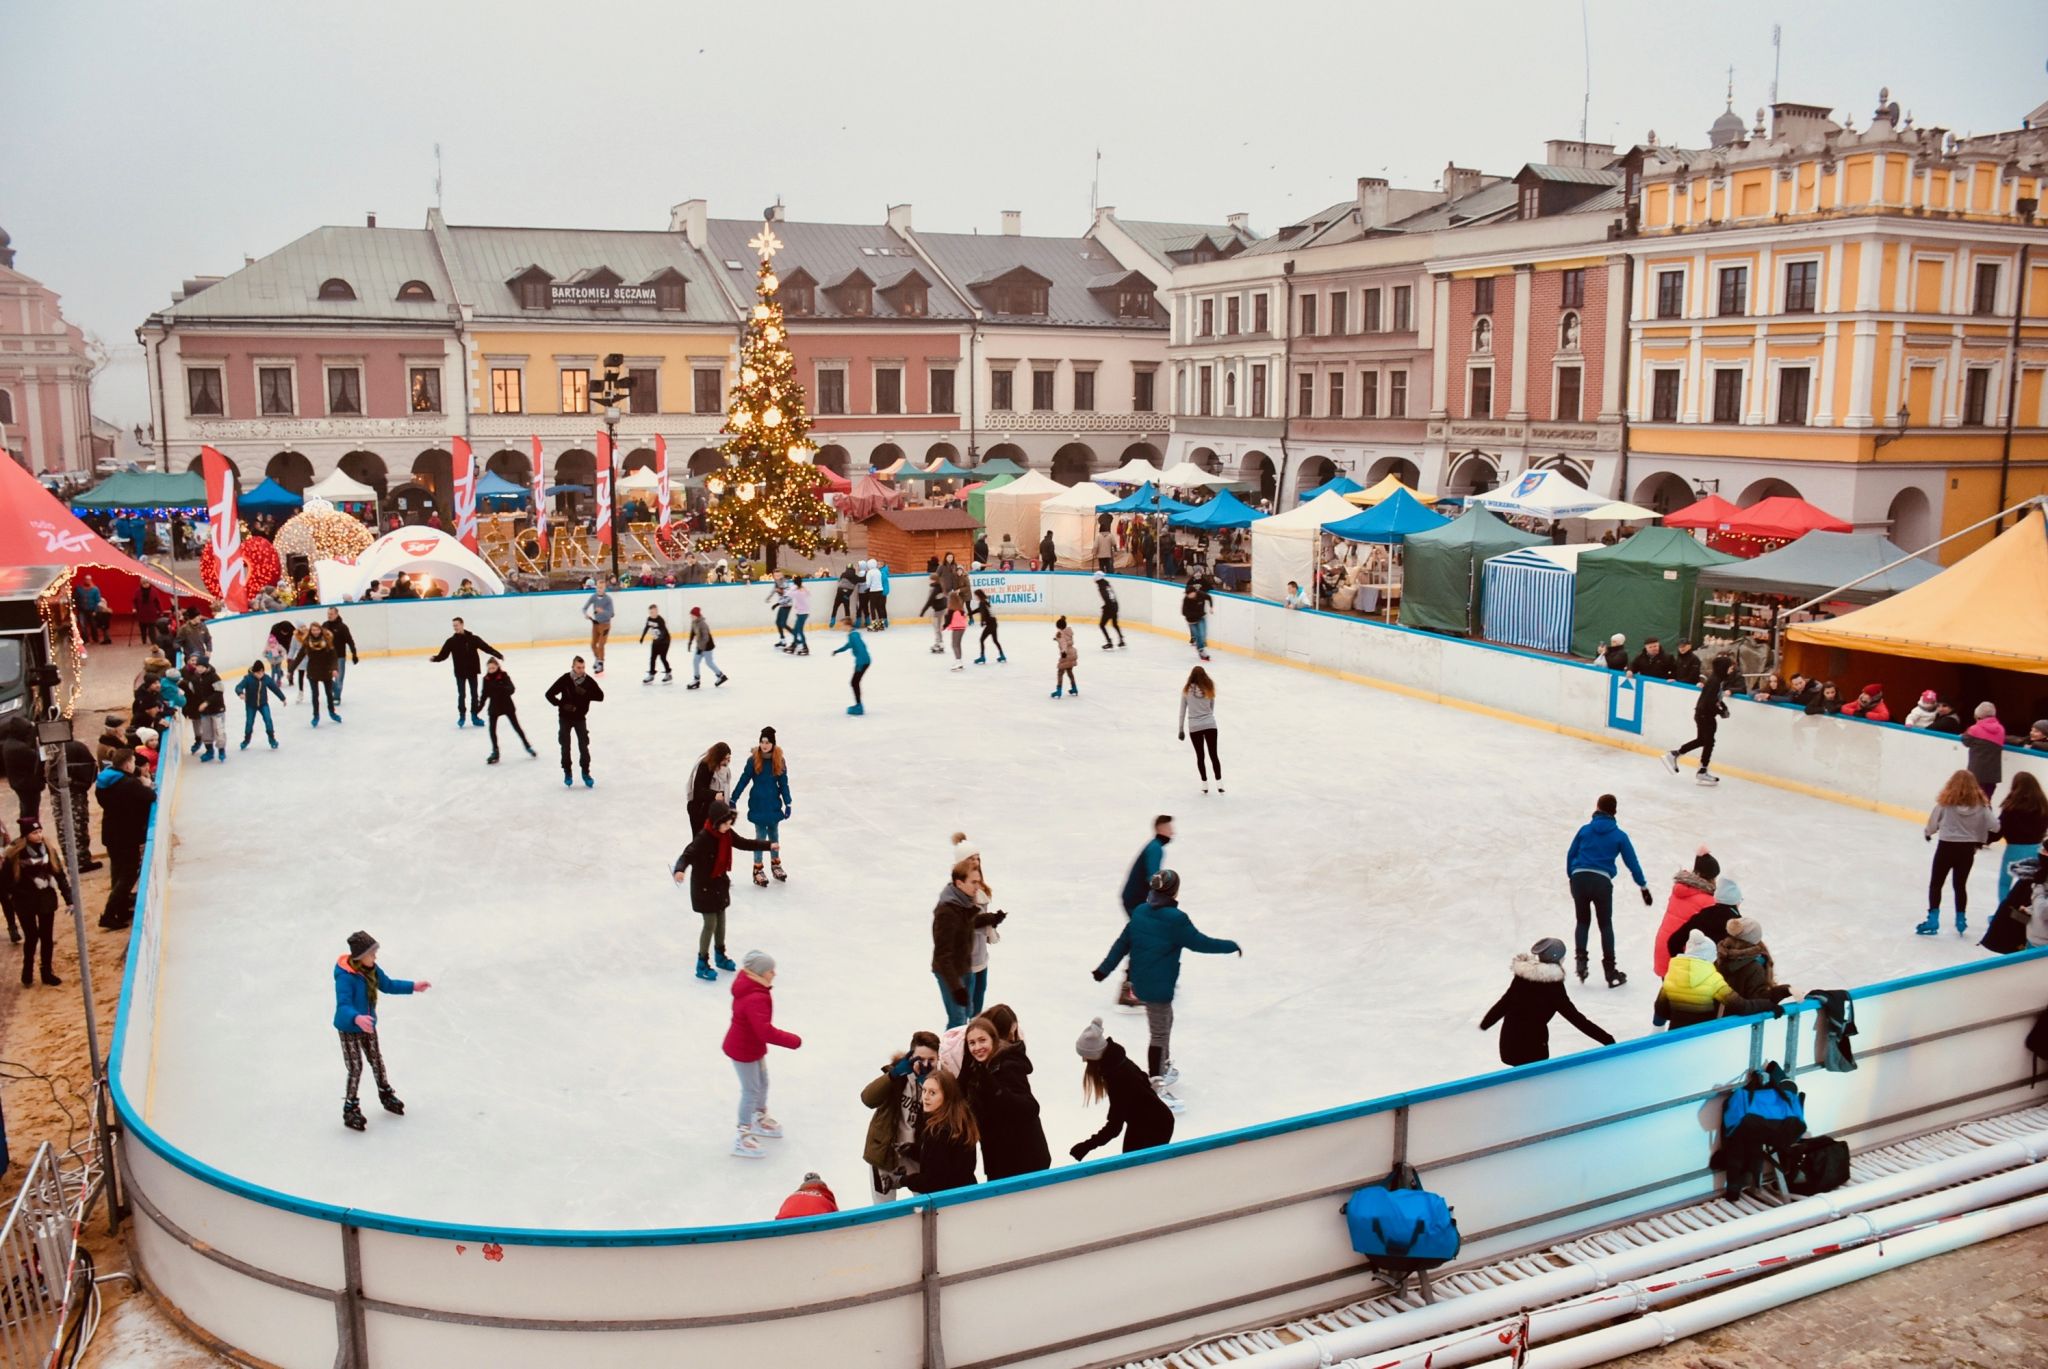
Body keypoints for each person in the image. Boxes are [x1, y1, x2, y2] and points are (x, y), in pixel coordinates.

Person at [1092, 868, 1238, 1105]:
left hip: (1141, 982)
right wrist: (1230, 945)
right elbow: (1200, 943)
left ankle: (1164, 1065)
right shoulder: (1175, 920)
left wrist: (1104, 969)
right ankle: (1156, 1083)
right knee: (1159, 1032)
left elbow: (1122, 944)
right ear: (1173, 891)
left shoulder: (1140, 911)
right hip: (1158, 985)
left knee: (1166, 1021)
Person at [331, 930, 430, 1132]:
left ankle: (385, 1093)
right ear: (360, 956)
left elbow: (389, 985)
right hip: (349, 1027)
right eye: (372, 953)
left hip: (367, 1025)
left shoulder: (372, 970)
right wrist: (356, 1018)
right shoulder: (345, 977)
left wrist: (413, 986)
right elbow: (343, 1005)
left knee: (376, 1059)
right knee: (356, 1067)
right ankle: (350, 1107)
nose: (375, 957)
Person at [674, 798, 779, 982]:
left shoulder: (726, 834)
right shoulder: (704, 838)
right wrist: (680, 870)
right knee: (710, 923)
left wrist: (768, 845)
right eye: (725, 823)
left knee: (721, 921)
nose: (728, 827)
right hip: (703, 886)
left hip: (719, 884)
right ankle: (702, 962)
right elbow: (687, 854)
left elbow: (745, 843)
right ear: (716, 822)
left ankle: (720, 955)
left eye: (730, 823)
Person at [1478, 938, 1614, 1066]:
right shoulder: (1554, 987)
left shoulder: (1522, 977)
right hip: (1532, 1048)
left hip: (1509, 1043)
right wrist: (1607, 1039)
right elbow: (1575, 1018)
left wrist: (1485, 1024)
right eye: (1562, 958)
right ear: (1556, 959)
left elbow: (1504, 1003)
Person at [1564, 794, 1652, 987]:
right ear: (1615, 811)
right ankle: (1610, 971)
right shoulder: (1619, 835)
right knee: (1605, 925)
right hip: (1601, 882)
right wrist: (1643, 886)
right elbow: (1632, 863)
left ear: (1597, 807)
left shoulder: (1585, 830)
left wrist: (1572, 876)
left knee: (1582, 920)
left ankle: (1581, 963)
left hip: (1579, 878)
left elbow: (1571, 854)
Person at [723, 949, 800, 1159]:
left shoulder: (753, 987)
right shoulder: (755, 997)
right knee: (750, 1090)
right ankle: (742, 1134)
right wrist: (792, 1040)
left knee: (762, 1083)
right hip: (743, 1050)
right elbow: (764, 1031)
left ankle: (759, 1116)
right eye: (770, 970)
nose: (774, 973)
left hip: (752, 1046)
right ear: (759, 972)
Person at [1069, 1018, 1175, 1161]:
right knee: (1130, 1163)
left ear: (1094, 1055)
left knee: (1137, 1169)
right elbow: (1143, 1078)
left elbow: (1114, 1126)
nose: (1083, 1060)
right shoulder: (1117, 1061)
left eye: (1085, 1056)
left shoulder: (1118, 1077)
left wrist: (1087, 1146)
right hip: (1142, 1121)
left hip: (1156, 1126)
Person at [958, 1015, 1050, 1179]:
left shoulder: (1008, 1066)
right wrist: (965, 1069)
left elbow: (1030, 1108)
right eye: (972, 1043)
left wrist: (995, 1089)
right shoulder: (976, 1070)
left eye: (982, 1040)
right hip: (997, 1160)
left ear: (993, 1040)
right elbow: (958, 1099)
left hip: (1025, 1160)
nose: (977, 1047)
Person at [862, 1030, 941, 1202]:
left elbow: (942, 1120)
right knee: (883, 1209)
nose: (926, 1064)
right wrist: (893, 1075)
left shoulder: (942, 1084)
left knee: (926, 1203)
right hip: (885, 1152)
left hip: (917, 1154)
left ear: (938, 1059)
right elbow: (867, 1098)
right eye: (920, 1059)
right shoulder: (897, 1075)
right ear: (911, 1056)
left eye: (932, 1060)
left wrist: (927, 1087)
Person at [1654, 929, 1779, 1030]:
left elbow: (1662, 1011)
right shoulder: (1713, 979)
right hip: (1703, 1037)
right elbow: (1742, 1006)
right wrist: (1768, 1004)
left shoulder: (1672, 975)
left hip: (1675, 1037)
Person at [1920, 769, 1996, 936]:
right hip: (1967, 850)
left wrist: (1928, 833)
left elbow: (1933, 823)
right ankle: (1961, 919)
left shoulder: (1946, 804)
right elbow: (1995, 826)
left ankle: (1933, 918)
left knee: (1936, 883)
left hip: (1946, 847)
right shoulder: (1981, 807)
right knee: (1960, 885)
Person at [931, 859, 1005, 1029]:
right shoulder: (947, 912)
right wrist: (956, 988)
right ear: (959, 883)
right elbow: (943, 956)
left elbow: (967, 923)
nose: (977, 886)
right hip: (950, 973)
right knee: (958, 1020)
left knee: (969, 1013)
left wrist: (991, 918)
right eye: (973, 882)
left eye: (978, 881)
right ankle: (950, 1055)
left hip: (965, 967)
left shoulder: (963, 901)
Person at [94, 749, 153, 931]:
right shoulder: (128, 784)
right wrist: (146, 783)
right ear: (127, 764)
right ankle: (109, 914)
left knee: (118, 873)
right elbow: (150, 796)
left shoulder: (105, 780)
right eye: (133, 761)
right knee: (128, 874)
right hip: (126, 835)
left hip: (111, 832)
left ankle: (119, 908)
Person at [3, 819, 66, 987]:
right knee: (31, 936)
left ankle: (47, 971)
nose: (39, 836)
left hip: (46, 899)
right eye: (34, 833)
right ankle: (27, 969)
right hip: (25, 902)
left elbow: (59, 874)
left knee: (46, 936)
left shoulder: (48, 850)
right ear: (26, 835)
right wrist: (18, 894)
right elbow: (5, 882)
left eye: (40, 832)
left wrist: (69, 899)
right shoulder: (15, 854)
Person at [730, 727, 792, 885]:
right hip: (758, 804)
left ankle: (776, 865)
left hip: (773, 805)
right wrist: (734, 798)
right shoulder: (754, 760)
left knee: (774, 836)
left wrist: (788, 802)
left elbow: (783, 783)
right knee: (760, 838)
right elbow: (744, 780)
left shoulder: (779, 760)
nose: (764, 745)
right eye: (762, 741)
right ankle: (757, 869)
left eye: (767, 742)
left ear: (773, 744)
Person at [1661, 654, 1735, 786]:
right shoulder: (1715, 681)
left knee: (1705, 741)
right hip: (1704, 715)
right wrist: (1721, 711)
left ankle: (1698, 768)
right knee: (1707, 741)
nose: (1731, 670)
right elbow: (1709, 702)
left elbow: (1715, 700)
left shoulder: (1717, 680)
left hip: (1704, 715)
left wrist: (1722, 708)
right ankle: (1678, 756)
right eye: (1729, 667)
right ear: (1723, 667)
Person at [904, 1068, 979, 1193]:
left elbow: (932, 1182)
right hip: (967, 1196)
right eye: (924, 1091)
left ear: (947, 1096)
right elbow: (947, 1163)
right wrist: (914, 1151)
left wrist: (904, 1180)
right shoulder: (960, 1121)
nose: (925, 1097)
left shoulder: (939, 1131)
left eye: (932, 1093)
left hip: (949, 1203)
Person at [1651, 847, 1719, 978]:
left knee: (1669, 989)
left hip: (1663, 945)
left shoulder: (1680, 889)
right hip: (1681, 953)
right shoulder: (1708, 901)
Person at [429, 617, 503, 728]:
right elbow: (443, 655)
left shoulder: (473, 639)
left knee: (474, 695)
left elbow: (486, 648)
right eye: (453, 626)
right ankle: (462, 716)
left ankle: (474, 716)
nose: (455, 627)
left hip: (472, 671)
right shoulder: (451, 641)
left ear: (462, 625)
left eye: (457, 625)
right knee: (462, 695)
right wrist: (435, 658)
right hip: (460, 672)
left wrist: (498, 654)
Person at [543, 656, 605, 788]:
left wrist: (585, 693)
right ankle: (567, 772)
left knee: (584, 746)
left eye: (583, 668)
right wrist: (561, 704)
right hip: (565, 718)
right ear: (572, 667)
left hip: (580, 718)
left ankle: (585, 773)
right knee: (565, 746)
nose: (581, 670)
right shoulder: (565, 679)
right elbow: (549, 694)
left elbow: (601, 697)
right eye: (578, 667)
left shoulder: (588, 681)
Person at [1663, 874, 1746, 963]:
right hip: (1720, 975)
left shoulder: (1703, 914)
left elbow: (1673, 941)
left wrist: (1682, 965)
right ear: (1735, 902)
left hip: (1697, 971)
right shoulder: (1738, 925)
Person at [1996, 772, 2048, 904]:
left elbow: (1999, 831)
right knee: (2028, 884)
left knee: (2004, 883)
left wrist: (1983, 839)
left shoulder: (2011, 806)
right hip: (2035, 849)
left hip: (2013, 849)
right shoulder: (2043, 806)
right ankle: (2025, 912)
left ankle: (2002, 913)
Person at [1715, 917, 1790, 1006]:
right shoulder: (1755, 967)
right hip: (1742, 1016)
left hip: (1719, 1012)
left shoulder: (1719, 954)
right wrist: (1786, 990)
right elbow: (1758, 999)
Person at [478, 658, 535, 764]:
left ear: (498, 667)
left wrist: (501, 687)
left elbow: (512, 689)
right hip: (494, 707)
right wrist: (478, 708)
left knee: (516, 727)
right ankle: (495, 751)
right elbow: (484, 695)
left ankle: (527, 745)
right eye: (489, 668)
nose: (491, 670)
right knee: (492, 730)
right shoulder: (485, 679)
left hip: (506, 705)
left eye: (493, 668)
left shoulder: (504, 675)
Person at [1178, 666, 1224, 794]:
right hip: (1210, 724)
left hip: (1194, 727)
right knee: (1213, 755)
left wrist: (1181, 729)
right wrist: (1207, 718)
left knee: (1200, 756)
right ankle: (1219, 783)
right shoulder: (1209, 688)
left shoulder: (1186, 691)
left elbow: (1182, 712)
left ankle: (1205, 784)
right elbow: (1211, 707)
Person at [235, 660, 286, 751]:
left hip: (263, 704)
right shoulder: (248, 679)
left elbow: (274, 688)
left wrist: (282, 698)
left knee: (268, 720)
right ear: (254, 672)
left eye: (262, 672)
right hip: (251, 705)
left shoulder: (266, 678)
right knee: (249, 723)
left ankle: (272, 739)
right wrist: (241, 693)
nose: (260, 674)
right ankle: (246, 740)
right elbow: (238, 687)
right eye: (258, 673)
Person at [185, 656, 229, 758]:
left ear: (206, 666)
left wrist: (207, 702)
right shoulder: (195, 679)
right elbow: (193, 693)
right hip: (204, 712)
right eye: (198, 666)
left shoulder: (214, 677)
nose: (199, 668)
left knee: (219, 731)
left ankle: (221, 750)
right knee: (206, 732)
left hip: (217, 710)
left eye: (201, 666)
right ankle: (209, 751)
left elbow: (219, 692)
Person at [1962, 703, 2006, 802]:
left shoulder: (1974, 729)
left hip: (1975, 773)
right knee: (1986, 801)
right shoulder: (2001, 730)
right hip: (1993, 775)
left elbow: (1965, 741)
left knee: (1972, 801)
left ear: (1978, 716)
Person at [686, 742, 733, 834]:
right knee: (700, 843)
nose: (727, 762)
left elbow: (725, 789)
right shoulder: (705, 766)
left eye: (729, 759)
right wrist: (715, 795)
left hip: (714, 810)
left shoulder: (725, 770)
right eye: (725, 759)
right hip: (699, 810)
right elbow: (698, 791)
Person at [300, 623, 341, 726]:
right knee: (315, 694)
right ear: (311, 631)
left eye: (317, 630)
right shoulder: (307, 643)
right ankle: (316, 715)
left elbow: (333, 656)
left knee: (329, 694)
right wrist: (290, 670)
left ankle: (332, 712)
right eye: (313, 630)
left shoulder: (327, 641)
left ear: (320, 630)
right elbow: (300, 656)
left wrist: (334, 669)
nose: (315, 632)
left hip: (326, 671)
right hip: (313, 671)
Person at [686, 606, 728, 689]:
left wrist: (700, 649)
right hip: (700, 646)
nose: (691, 617)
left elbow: (706, 638)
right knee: (695, 661)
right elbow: (692, 631)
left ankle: (721, 676)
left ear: (697, 616)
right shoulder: (694, 622)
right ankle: (696, 680)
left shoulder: (703, 624)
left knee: (709, 662)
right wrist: (690, 642)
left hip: (707, 646)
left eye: (693, 616)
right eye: (691, 616)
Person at [581, 574, 616, 673]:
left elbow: (611, 614)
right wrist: (586, 614)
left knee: (601, 645)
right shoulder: (593, 597)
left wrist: (602, 611)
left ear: (605, 588)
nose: (599, 589)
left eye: (601, 588)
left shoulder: (608, 599)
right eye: (598, 587)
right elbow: (584, 608)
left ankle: (601, 663)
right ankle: (597, 658)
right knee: (593, 644)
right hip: (595, 624)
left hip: (605, 625)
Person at [324, 607, 360, 701]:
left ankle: (337, 696)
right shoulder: (325, 625)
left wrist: (354, 654)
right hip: (327, 657)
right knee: (325, 676)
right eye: (328, 614)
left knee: (339, 678)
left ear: (336, 614)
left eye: (331, 614)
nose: (329, 616)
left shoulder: (342, 627)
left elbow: (350, 641)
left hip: (339, 656)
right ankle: (336, 690)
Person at [774, 1173, 839, 1221]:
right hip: (815, 1222)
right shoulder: (825, 1197)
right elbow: (836, 1217)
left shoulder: (791, 1198)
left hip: (785, 1223)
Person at [971, 589, 1006, 665]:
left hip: (990, 624)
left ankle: (982, 657)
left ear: (978, 595)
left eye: (975, 595)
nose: (975, 597)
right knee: (995, 640)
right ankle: (1002, 655)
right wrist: (970, 613)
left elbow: (983, 613)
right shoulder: (985, 601)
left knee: (981, 640)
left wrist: (982, 622)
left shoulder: (982, 603)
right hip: (994, 623)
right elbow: (980, 610)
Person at [1181, 579, 1212, 662]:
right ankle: (1201, 650)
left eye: (1190, 594)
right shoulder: (1186, 600)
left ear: (1194, 592)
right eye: (1187, 594)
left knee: (1202, 634)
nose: (1189, 595)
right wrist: (1193, 615)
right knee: (1198, 636)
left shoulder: (1200, 595)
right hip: (1191, 621)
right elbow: (1183, 612)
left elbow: (1209, 597)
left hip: (1201, 618)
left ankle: (1201, 648)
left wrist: (1211, 607)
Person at [641, 605, 674, 683]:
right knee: (652, 658)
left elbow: (663, 632)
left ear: (656, 611)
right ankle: (651, 674)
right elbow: (646, 627)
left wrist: (659, 640)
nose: (651, 614)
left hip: (665, 641)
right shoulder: (649, 619)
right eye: (650, 612)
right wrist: (642, 637)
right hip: (656, 641)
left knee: (662, 657)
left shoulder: (660, 620)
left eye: (652, 612)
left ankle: (668, 673)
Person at [1094, 572, 1126, 648]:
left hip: (1110, 607)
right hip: (1115, 605)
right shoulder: (1107, 584)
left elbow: (1106, 597)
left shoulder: (1101, 587)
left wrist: (1105, 607)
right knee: (1114, 624)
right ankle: (1121, 639)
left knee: (1102, 625)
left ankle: (1109, 642)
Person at [1051, 616, 1078, 700]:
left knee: (1060, 672)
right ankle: (1074, 688)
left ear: (1058, 627)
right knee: (1070, 672)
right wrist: (1057, 639)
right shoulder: (1068, 632)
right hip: (1072, 653)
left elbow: (1063, 643)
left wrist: (1063, 652)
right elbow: (1066, 640)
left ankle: (1058, 690)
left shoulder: (1060, 633)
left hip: (1066, 655)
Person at [785, 576, 812, 656]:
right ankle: (794, 644)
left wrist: (794, 587)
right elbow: (808, 594)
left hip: (802, 613)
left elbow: (787, 594)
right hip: (804, 612)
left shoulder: (796, 592)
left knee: (799, 631)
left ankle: (805, 647)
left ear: (795, 583)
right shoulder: (803, 589)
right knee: (796, 630)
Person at [944, 593, 969, 672]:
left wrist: (943, 627)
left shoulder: (951, 610)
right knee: (957, 644)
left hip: (957, 628)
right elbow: (964, 616)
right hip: (962, 628)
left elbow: (948, 621)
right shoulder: (960, 608)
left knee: (954, 645)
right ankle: (959, 662)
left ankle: (958, 662)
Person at [830, 564, 859, 629]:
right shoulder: (855, 576)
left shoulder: (843, 574)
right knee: (846, 608)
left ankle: (832, 619)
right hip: (846, 595)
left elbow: (840, 580)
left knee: (835, 607)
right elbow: (862, 579)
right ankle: (848, 623)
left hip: (839, 593)